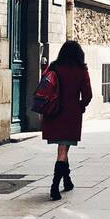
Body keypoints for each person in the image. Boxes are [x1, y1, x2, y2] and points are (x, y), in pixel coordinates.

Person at [40, 40, 92, 200]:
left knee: (63, 147)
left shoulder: (54, 67)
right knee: (63, 150)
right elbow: (88, 95)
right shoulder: (81, 70)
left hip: (53, 113)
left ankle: (67, 180)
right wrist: (81, 106)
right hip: (71, 114)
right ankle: (54, 187)